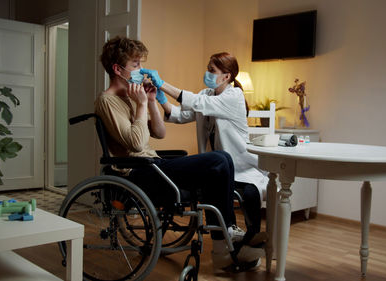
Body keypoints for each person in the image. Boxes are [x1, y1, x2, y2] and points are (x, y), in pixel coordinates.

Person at [94, 36, 264, 271]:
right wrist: (144, 104)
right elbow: (137, 143)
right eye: (135, 65)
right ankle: (227, 239)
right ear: (117, 69)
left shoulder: (131, 98)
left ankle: (223, 247)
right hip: (138, 171)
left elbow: (160, 132)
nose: (140, 70)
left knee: (220, 162)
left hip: (153, 165)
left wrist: (152, 100)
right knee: (218, 159)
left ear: (226, 76)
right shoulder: (107, 100)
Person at [141, 52, 269, 247]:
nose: (207, 73)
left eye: (212, 70)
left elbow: (201, 104)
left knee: (251, 193)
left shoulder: (234, 96)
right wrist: (159, 99)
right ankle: (224, 241)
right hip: (220, 166)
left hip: (242, 167)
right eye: (207, 68)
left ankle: (251, 244)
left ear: (226, 76)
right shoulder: (205, 94)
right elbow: (180, 115)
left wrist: (163, 84)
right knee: (211, 177)